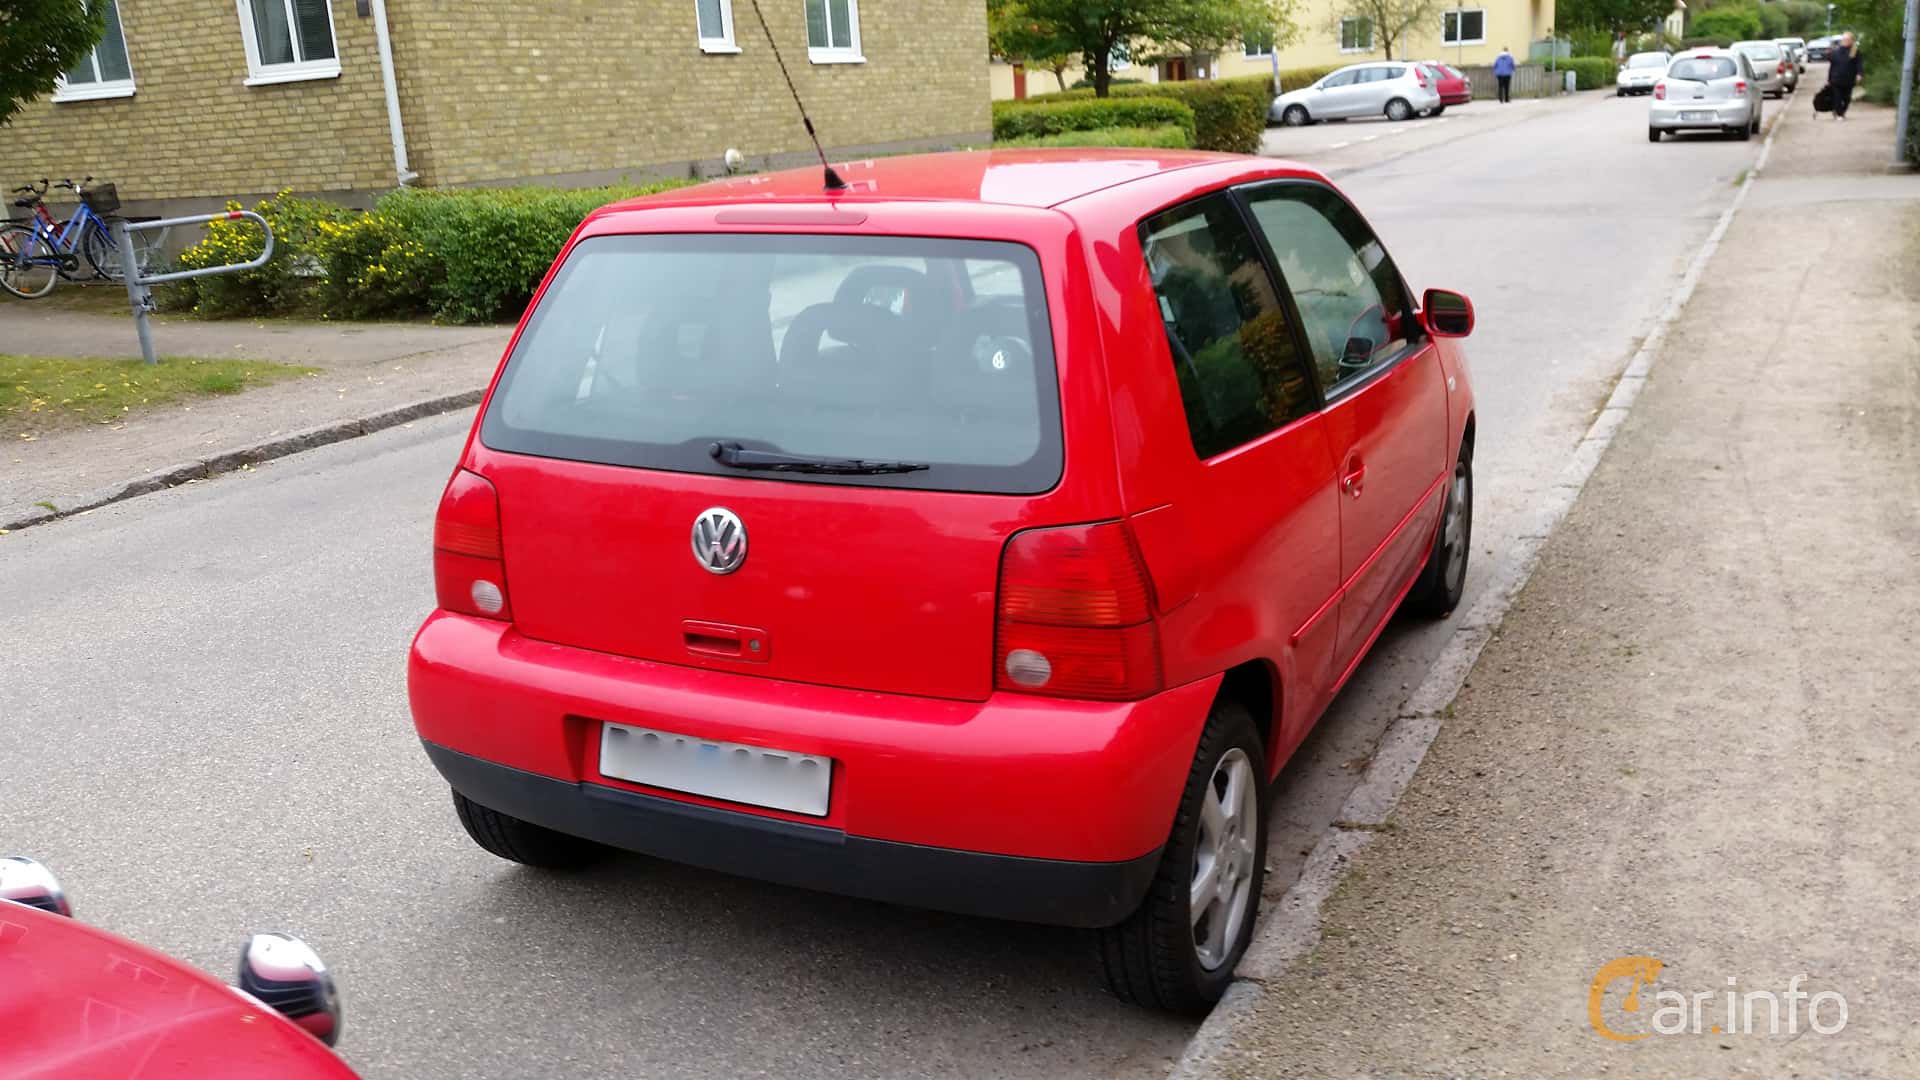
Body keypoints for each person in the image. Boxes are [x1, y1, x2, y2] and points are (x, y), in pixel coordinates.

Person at [1826, 31, 1863, 120]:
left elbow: (1858, 63)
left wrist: (1859, 74)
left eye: (1847, 40)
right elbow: (1832, 64)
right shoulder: (1836, 51)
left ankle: (1841, 111)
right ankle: (1839, 114)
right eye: (1844, 39)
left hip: (1849, 79)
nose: (1845, 41)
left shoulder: (1854, 51)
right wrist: (1829, 78)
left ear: (1852, 41)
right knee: (1837, 97)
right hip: (1836, 78)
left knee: (1847, 98)